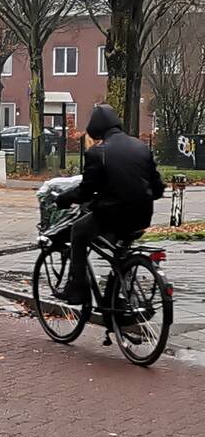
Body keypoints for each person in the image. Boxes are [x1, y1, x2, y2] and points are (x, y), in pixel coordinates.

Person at [55, 104, 165, 304]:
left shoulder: (98, 153)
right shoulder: (141, 147)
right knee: (119, 255)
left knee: (79, 232)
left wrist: (64, 198)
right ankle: (117, 296)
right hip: (142, 216)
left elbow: (86, 191)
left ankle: (78, 289)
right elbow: (158, 188)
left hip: (113, 216)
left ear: (96, 129)